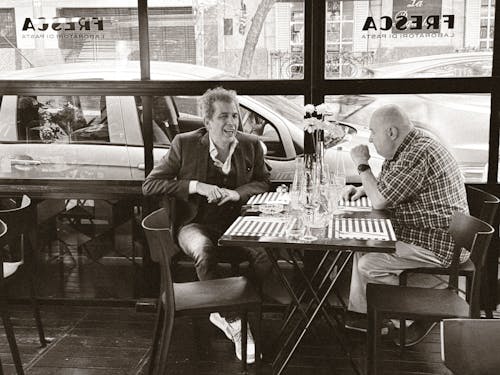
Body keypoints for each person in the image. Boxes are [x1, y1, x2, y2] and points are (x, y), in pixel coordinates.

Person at [142, 87, 272, 363]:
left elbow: (263, 181)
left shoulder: (250, 144)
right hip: (195, 223)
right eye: (223, 116)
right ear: (207, 121)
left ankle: (235, 308)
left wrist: (238, 193)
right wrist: (195, 186)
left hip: (238, 224)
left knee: (264, 257)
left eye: (235, 116)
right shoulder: (184, 143)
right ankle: (234, 321)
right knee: (203, 250)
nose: (231, 123)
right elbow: (150, 184)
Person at [342, 104, 468, 346]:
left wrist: (362, 165)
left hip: (439, 241)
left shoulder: (418, 153)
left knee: (370, 262)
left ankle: (410, 320)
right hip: (424, 232)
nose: (370, 138)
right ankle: (362, 315)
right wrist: (363, 188)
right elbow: (387, 191)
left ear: (391, 132)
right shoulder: (408, 147)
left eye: (372, 132)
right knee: (361, 245)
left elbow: (380, 201)